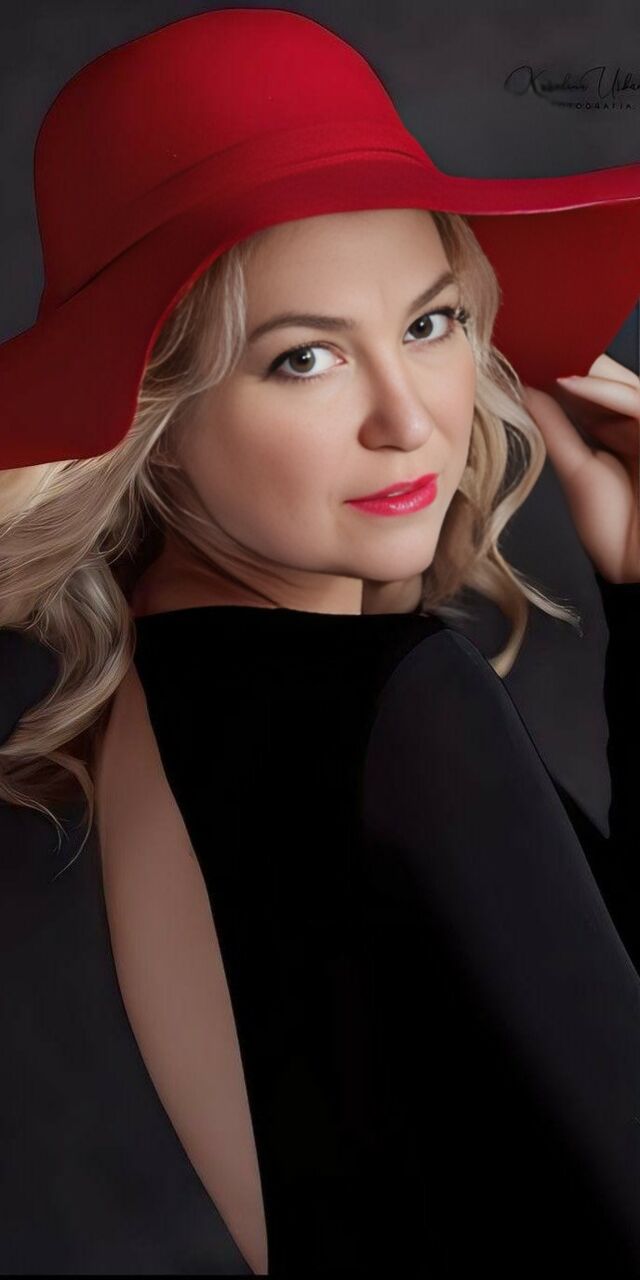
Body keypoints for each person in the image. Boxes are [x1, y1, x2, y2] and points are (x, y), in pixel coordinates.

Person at [0, 8, 639, 1275]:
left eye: (430, 323)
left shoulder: (171, 694)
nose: (408, 418)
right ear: (149, 410)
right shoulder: (394, 705)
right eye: (303, 358)